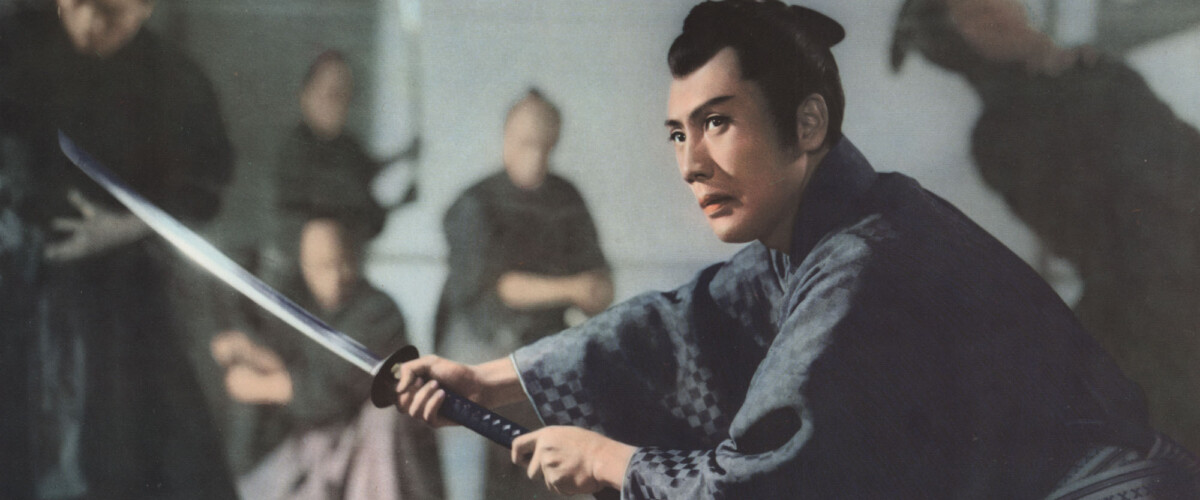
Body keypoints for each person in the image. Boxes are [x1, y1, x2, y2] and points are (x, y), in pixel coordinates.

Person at [396, 1, 1200, 498]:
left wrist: (609, 460)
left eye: (717, 122)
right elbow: (673, 328)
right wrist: (485, 380)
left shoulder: (863, 260)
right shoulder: (817, 239)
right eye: (677, 133)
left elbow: (761, 479)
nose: (690, 163)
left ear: (808, 124)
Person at [891, 0, 1200, 454]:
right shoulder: (1002, 133)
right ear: (957, 46)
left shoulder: (1097, 76)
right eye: (976, 16)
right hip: (1160, 324)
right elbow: (1123, 228)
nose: (999, 11)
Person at [0, 0, 238, 497]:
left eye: (113, 13)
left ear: (144, 9)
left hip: (114, 303)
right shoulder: (12, 43)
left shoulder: (172, 78)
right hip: (13, 292)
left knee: (118, 458)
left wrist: (123, 227)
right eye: (78, 3)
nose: (90, 23)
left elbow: (205, 188)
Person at [434, 88, 613, 499]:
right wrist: (574, 287)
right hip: (478, 346)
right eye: (525, 143)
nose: (535, 156)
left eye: (545, 146)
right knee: (472, 460)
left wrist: (597, 289)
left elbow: (600, 283)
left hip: (542, 349)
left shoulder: (566, 198)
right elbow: (504, 287)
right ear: (506, 138)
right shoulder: (473, 203)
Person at [214, 217, 443, 500]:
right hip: (315, 445)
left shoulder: (379, 311)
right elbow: (297, 361)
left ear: (356, 259)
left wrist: (262, 387)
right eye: (323, 266)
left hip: (368, 447)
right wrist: (252, 353)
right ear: (305, 267)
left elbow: (331, 390)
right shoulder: (304, 307)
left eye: (343, 262)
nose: (336, 276)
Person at [263, 49, 418, 291]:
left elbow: (365, 171)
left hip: (344, 275)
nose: (338, 104)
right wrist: (394, 204)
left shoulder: (347, 146)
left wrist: (402, 157)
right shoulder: (296, 149)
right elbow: (347, 202)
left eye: (345, 95)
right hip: (300, 275)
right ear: (305, 95)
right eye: (330, 94)